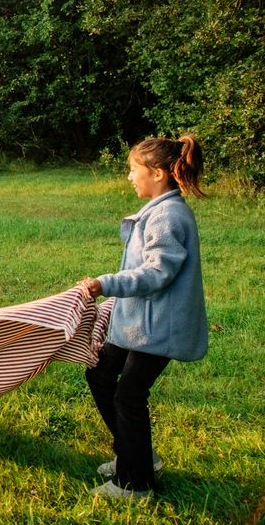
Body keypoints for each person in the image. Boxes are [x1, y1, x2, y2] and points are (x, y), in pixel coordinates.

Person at [79, 135, 207, 500]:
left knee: (129, 396)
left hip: (158, 328)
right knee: (101, 372)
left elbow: (156, 273)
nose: (130, 178)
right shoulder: (159, 210)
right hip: (139, 324)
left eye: (134, 171)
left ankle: (134, 483)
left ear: (158, 174)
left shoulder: (168, 215)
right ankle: (136, 456)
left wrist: (106, 284)